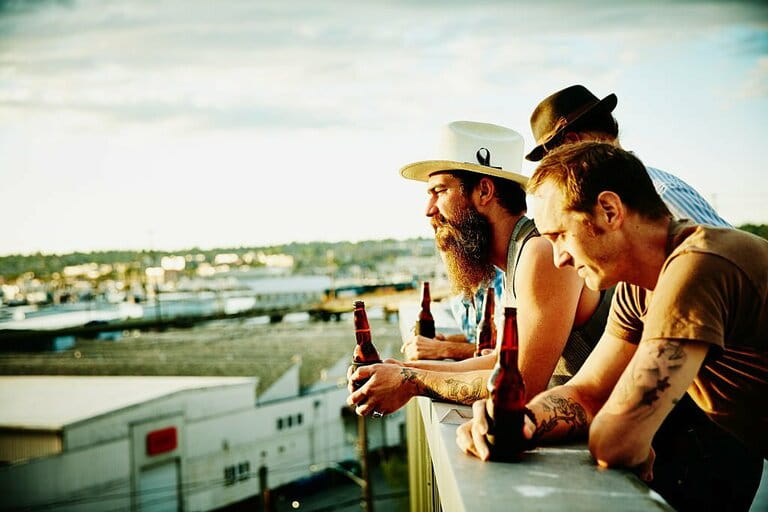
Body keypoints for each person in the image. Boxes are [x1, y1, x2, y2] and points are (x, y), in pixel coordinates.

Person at [456, 142, 766, 511]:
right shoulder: (637, 288)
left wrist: (627, 433)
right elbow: (587, 393)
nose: (558, 259)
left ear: (609, 210)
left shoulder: (699, 266)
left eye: (560, 236)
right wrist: (518, 421)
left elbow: (618, 440)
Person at [348, 120, 612, 415]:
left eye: (440, 191)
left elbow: (521, 385)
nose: (429, 210)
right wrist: (401, 369)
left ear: (484, 191)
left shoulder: (540, 252)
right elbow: (499, 361)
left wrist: (411, 382)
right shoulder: (517, 256)